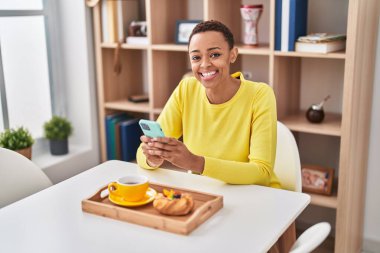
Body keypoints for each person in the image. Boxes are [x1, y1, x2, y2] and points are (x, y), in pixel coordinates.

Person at [137, 20, 280, 188]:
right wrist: (152, 158)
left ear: (232, 54)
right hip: (209, 193)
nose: (204, 64)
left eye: (215, 55)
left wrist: (197, 163)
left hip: (258, 195)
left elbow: (262, 173)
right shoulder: (186, 89)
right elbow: (141, 153)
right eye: (196, 57)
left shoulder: (260, 95)